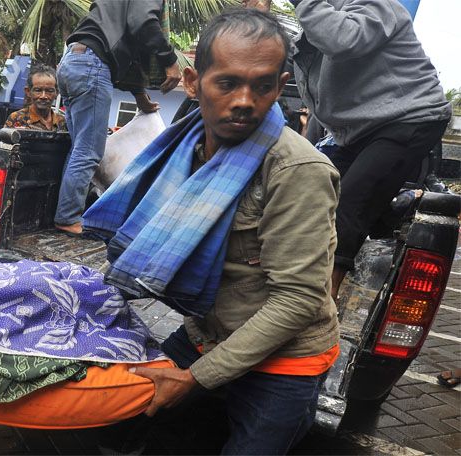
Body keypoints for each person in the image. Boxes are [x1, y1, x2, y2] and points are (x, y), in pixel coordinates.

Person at [84, 9, 340, 454]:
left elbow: (297, 300)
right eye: (227, 83)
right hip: (209, 332)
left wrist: (193, 378)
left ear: (280, 88)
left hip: (287, 356)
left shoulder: (298, 170)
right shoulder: (183, 150)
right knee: (119, 416)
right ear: (192, 81)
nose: (245, 100)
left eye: (262, 86)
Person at [270, 0, 452, 299]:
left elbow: (341, 38)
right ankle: (387, 214)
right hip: (358, 131)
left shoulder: (376, 5)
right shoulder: (310, 32)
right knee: (315, 191)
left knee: (348, 207)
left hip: (411, 117)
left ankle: (317, 313)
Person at [53, 0, 182, 235]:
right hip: (92, 63)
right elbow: (143, 22)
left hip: (72, 62)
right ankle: (68, 217)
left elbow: (125, 44)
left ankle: (66, 213)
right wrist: (170, 60)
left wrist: (140, 95)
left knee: (80, 149)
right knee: (89, 151)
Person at [4, 63, 67, 132]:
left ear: (57, 93)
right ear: (28, 92)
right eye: (38, 90)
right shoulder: (17, 118)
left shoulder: (62, 122)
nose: (43, 96)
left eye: (49, 91)